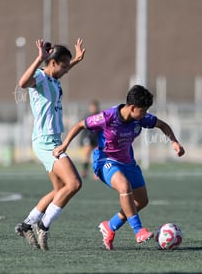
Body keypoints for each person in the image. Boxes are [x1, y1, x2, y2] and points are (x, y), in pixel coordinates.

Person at [53, 85, 185, 250]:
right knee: (124, 186)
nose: (145, 115)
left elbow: (163, 125)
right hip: (105, 161)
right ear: (132, 108)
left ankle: (110, 226)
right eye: (143, 111)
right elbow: (80, 125)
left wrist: (174, 141)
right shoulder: (107, 117)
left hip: (128, 162)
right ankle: (138, 231)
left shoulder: (140, 118)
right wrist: (64, 145)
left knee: (141, 201)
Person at [14, 39, 85, 250]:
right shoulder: (41, 77)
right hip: (46, 141)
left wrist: (76, 61)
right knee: (74, 183)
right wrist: (39, 59)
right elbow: (22, 83)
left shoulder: (54, 79)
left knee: (60, 189)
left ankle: (27, 224)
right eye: (63, 66)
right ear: (52, 63)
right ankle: (43, 226)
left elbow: (61, 69)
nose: (65, 70)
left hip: (53, 140)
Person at [79, 100, 100, 178]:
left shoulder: (100, 116)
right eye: (92, 107)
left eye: (94, 107)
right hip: (89, 139)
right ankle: (84, 171)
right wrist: (82, 140)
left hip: (97, 139)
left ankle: (96, 173)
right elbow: (82, 129)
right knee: (86, 155)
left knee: (97, 156)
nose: (93, 108)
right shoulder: (87, 117)